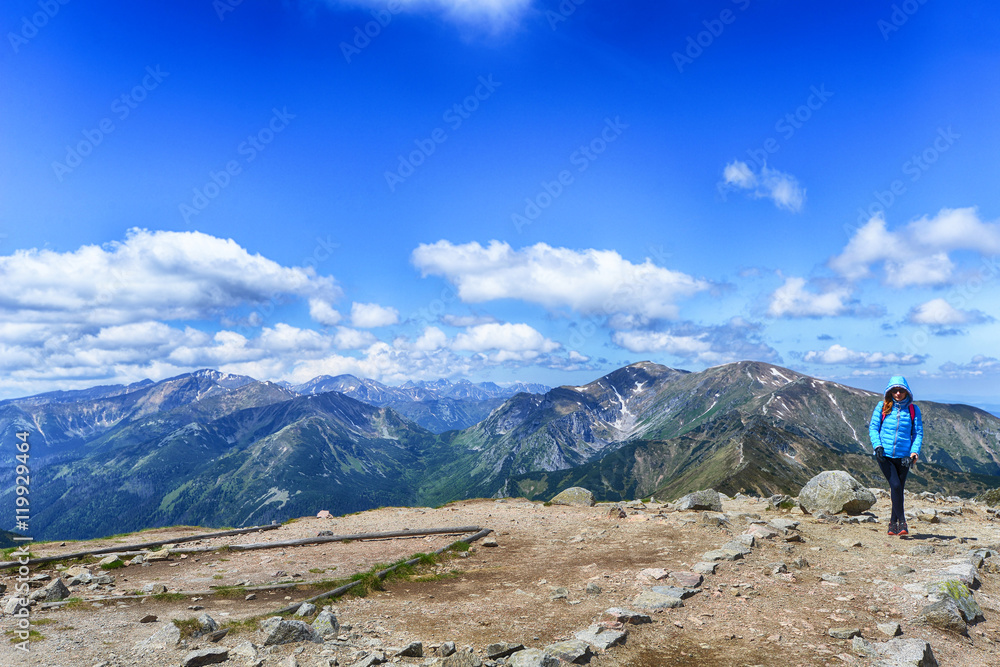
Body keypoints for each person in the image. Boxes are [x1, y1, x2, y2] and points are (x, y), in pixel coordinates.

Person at [869, 375, 922, 536]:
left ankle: (892, 524)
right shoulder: (882, 406)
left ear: (907, 392)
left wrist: (914, 452)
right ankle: (902, 521)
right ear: (890, 391)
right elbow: (873, 427)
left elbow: (917, 433)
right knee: (896, 486)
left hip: (904, 457)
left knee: (897, 489)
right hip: (884, 455)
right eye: (894, 390)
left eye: (901, 390)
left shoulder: (913, 410)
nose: (898, 393)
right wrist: (877, 446)